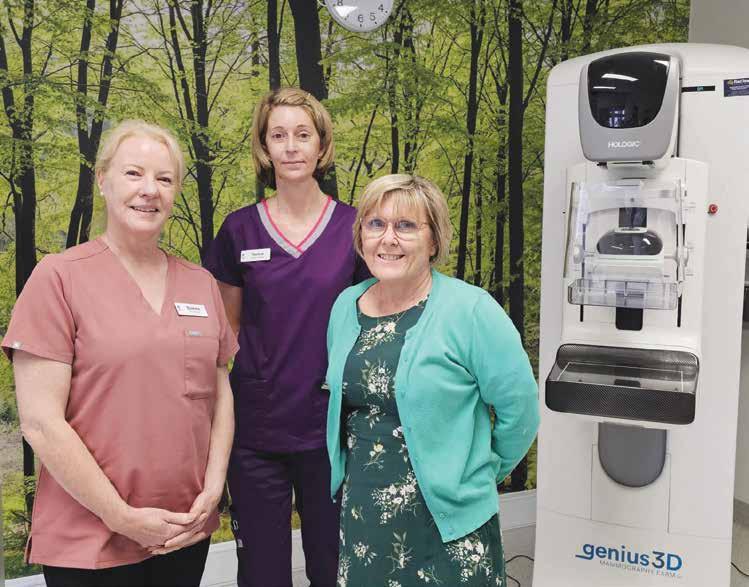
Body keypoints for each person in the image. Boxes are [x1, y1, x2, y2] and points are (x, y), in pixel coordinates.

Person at [3, 120, 238, 587]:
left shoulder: (200, 284)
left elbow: (221, 396)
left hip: (183, 529)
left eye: (164, 178)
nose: (149, 190)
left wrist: (213, 491)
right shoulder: (59, 278)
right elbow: (41, 423)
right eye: (134, 173)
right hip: (89, 539)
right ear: (102, 179)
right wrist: (121, 516)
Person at [325, 174, 540, 586]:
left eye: (406, 226)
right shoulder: (345, 307)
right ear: (361, 236)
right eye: (375, 224)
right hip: (365, 520)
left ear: (434, 241)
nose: (388, 238)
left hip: (450, 527)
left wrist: (478, 473)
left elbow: (521, 410)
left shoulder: (471, 310)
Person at [203, 87, 368, 587]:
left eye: (302, 134)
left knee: (334, 569)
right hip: (257, 433)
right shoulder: (239, 231)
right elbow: (227, 331)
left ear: (322, 145)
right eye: (278, 135)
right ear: (264, 147)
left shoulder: (355, 229)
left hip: (332, 430)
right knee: (262, 573)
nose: (291, 146)